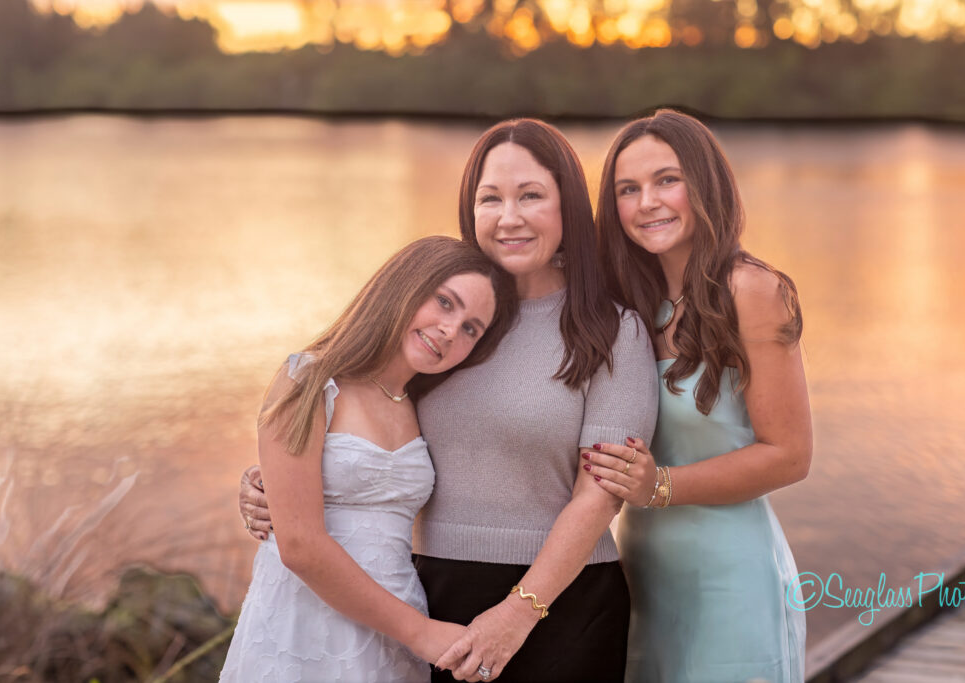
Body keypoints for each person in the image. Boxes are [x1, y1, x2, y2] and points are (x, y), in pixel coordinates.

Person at [239, 119, 659, 682]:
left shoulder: (611, 331)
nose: (509, 217)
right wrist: (273, 483)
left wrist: (519, 611)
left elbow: (600, 495)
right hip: (429, 593)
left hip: (562, 601)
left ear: (568, 208)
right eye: (491, 199)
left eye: (530, 196)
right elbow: (360, 415)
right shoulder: (446, 319)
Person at [220, 236, 518, 682]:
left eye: (471, 328)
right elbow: (299, 546)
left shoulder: (425, 403)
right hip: (306, 625)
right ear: (404, 287)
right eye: (444, 303)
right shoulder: (309, 378)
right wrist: (421, 633)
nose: (450, 330)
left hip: (392, 628)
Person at [582, 109, 811, 682]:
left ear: (704, 184)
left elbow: (790, 454)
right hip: (643, 576)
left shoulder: (751, 290)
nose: (647, 203)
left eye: (667, 180)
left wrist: (659, 486)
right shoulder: (629, 299)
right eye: (627, 190)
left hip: (729, 579)